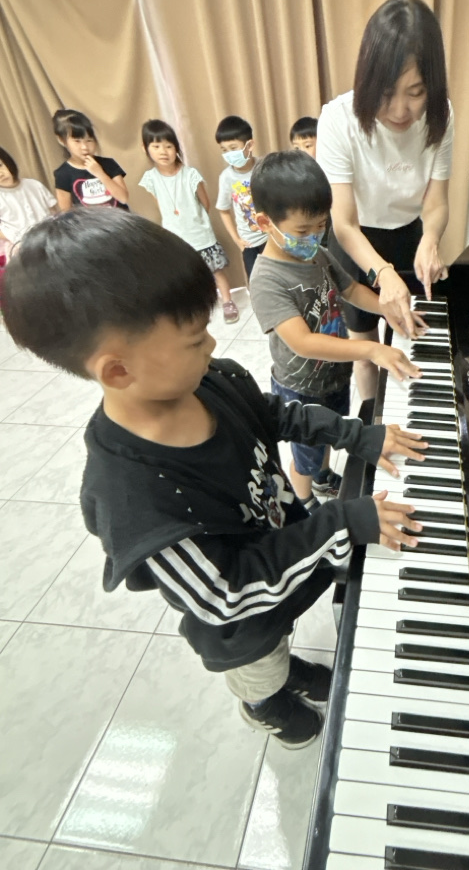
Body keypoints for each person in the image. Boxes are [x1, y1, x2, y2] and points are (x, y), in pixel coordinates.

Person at [0, 209, 427, 747]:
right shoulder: (136, 502)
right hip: (241, 627)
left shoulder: (211, 381)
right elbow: (227, 594)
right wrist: (340, 522)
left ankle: (284, 669)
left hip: (281, 561)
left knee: (281, 631)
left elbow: (276, 415)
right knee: (261, 662)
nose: (212, 346)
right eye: (194, 338)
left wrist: (356, 435)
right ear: (118, 370)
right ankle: (264, 703)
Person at [250, 150, 422, 508]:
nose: (314, 237)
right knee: (305, 457)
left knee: (329, 435)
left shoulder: (317, 253)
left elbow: (351, 289)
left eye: (321, 226)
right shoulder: (267, 279)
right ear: (265, 223)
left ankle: (323, 477)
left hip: (333, 377)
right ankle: (304, 499)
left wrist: (387, 309)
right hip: (300, 389)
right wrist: (371, 348)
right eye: (302, 230)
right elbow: (303, 342)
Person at [317, 0, 454, 399]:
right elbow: (343, 223)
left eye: (416, 92)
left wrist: (430, 240)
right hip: (355, 243)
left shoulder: (441, 115)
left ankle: (407, 413)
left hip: (409, 234)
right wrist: (383, 273)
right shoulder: (338, 119)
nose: (399, 110)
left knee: (411, 337)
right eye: (387, 92)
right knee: (367, 352)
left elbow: (436, 202)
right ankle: (372, 421)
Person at [139, 119, 239, 324]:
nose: (163, 151)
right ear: (145, 149)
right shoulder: (151, 178)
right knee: (188, 276)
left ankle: (228, 302)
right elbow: (161, 206)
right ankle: (197, 307)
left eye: (168, 146)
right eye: (156, 146)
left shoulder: (190, 174)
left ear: (176, 148)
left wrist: (196, 221)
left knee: (216, 271)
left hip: (200, 234)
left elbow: (205, 203)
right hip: (176, 237)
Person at [214, 115, 267, 279]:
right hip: (249, 243)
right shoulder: (226, 178)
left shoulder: (265, 167)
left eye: (233, 148)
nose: (229, 154)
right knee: (256, 281)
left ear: (249, 145)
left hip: (271, 237)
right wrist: (237, 239)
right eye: (224, 150)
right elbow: (223, 210)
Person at [52, 109, 129, 211]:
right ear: (62, 140)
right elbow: (66, 212)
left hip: (120, 219)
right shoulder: (63, 173)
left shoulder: (108, 164)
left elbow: (123, 198)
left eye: (89, 140)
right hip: (90, 221)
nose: (84, 147)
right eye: (77, 141)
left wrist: (100, 173)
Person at [0, 146, 57, 246]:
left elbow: (53, 211)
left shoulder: (34, 185)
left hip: (49, 239)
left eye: (0, 166)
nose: (0, 174)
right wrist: (13, 237)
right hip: (20, 245)